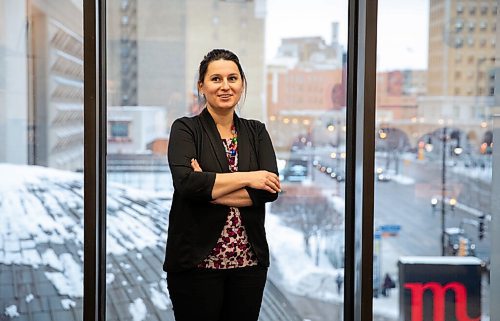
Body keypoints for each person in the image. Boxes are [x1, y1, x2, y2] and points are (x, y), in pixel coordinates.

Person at [163, 48, 281, 321]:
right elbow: (187, 184)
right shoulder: (185, 129)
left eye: (232, 78)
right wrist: (250, 177)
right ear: (201, 86)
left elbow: (269, 191)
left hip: (248, 263)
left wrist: (209, 187)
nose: (225, 86)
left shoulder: (256, 131)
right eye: (216, 79)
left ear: (242, 83)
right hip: (196, 264)